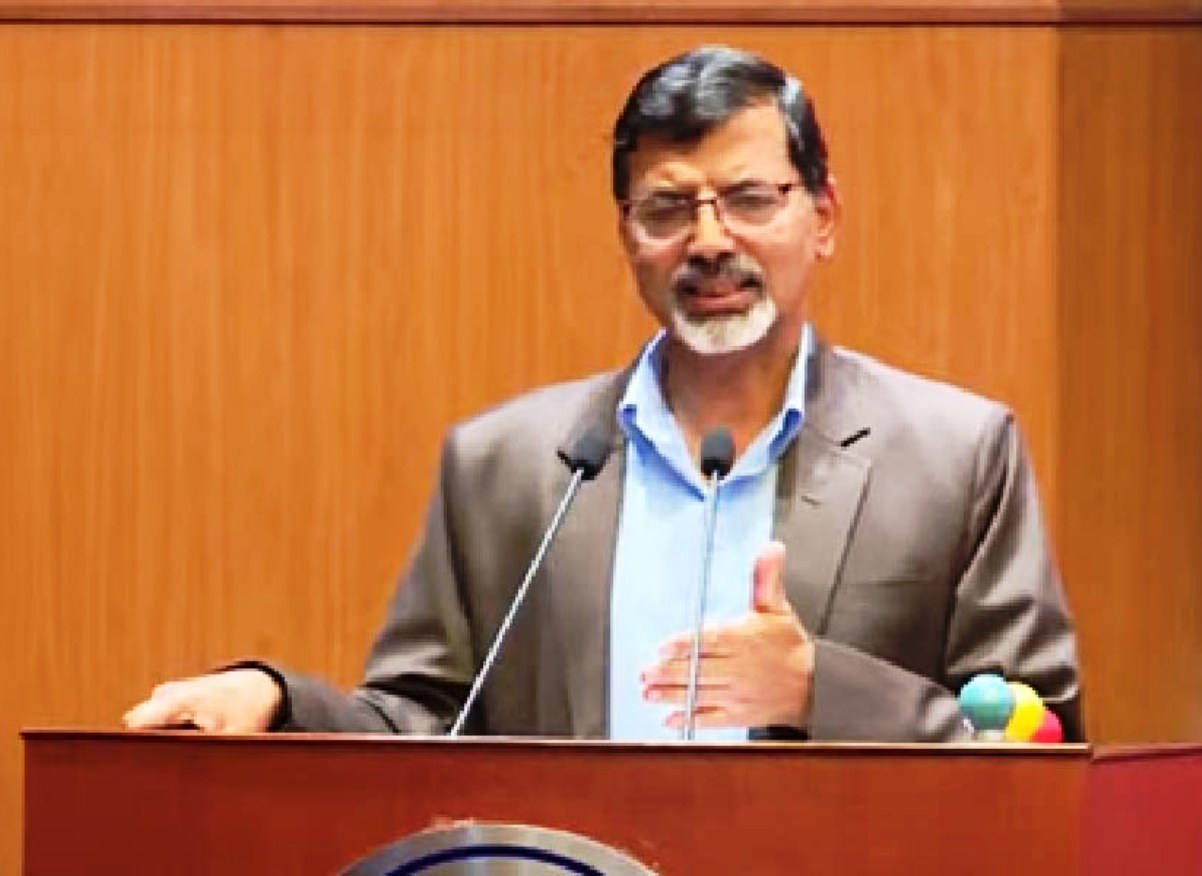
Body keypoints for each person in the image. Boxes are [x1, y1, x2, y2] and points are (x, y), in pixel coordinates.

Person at [124, 45, 1082, 743]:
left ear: (823, 216)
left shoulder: (954, 455)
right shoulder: (508, 466)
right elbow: (430, 722)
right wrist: (277, 699)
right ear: (627, 234)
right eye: (667, 208)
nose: (710, 240)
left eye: (750, 199)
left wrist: (819, 691)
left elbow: (1042, 741)